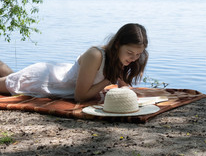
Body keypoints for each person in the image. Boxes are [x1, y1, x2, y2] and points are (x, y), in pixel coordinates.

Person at [0, 23, 148, 102]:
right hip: (44, 80)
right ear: (117, 44)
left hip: (58, 73)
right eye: (130, 53)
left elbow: (123, 87)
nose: (134, 57)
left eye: (138, 54)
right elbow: (80, 97)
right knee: (10, 81)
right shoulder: (95, 55)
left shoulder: (122, 59)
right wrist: (110, 79)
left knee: (12, 76)